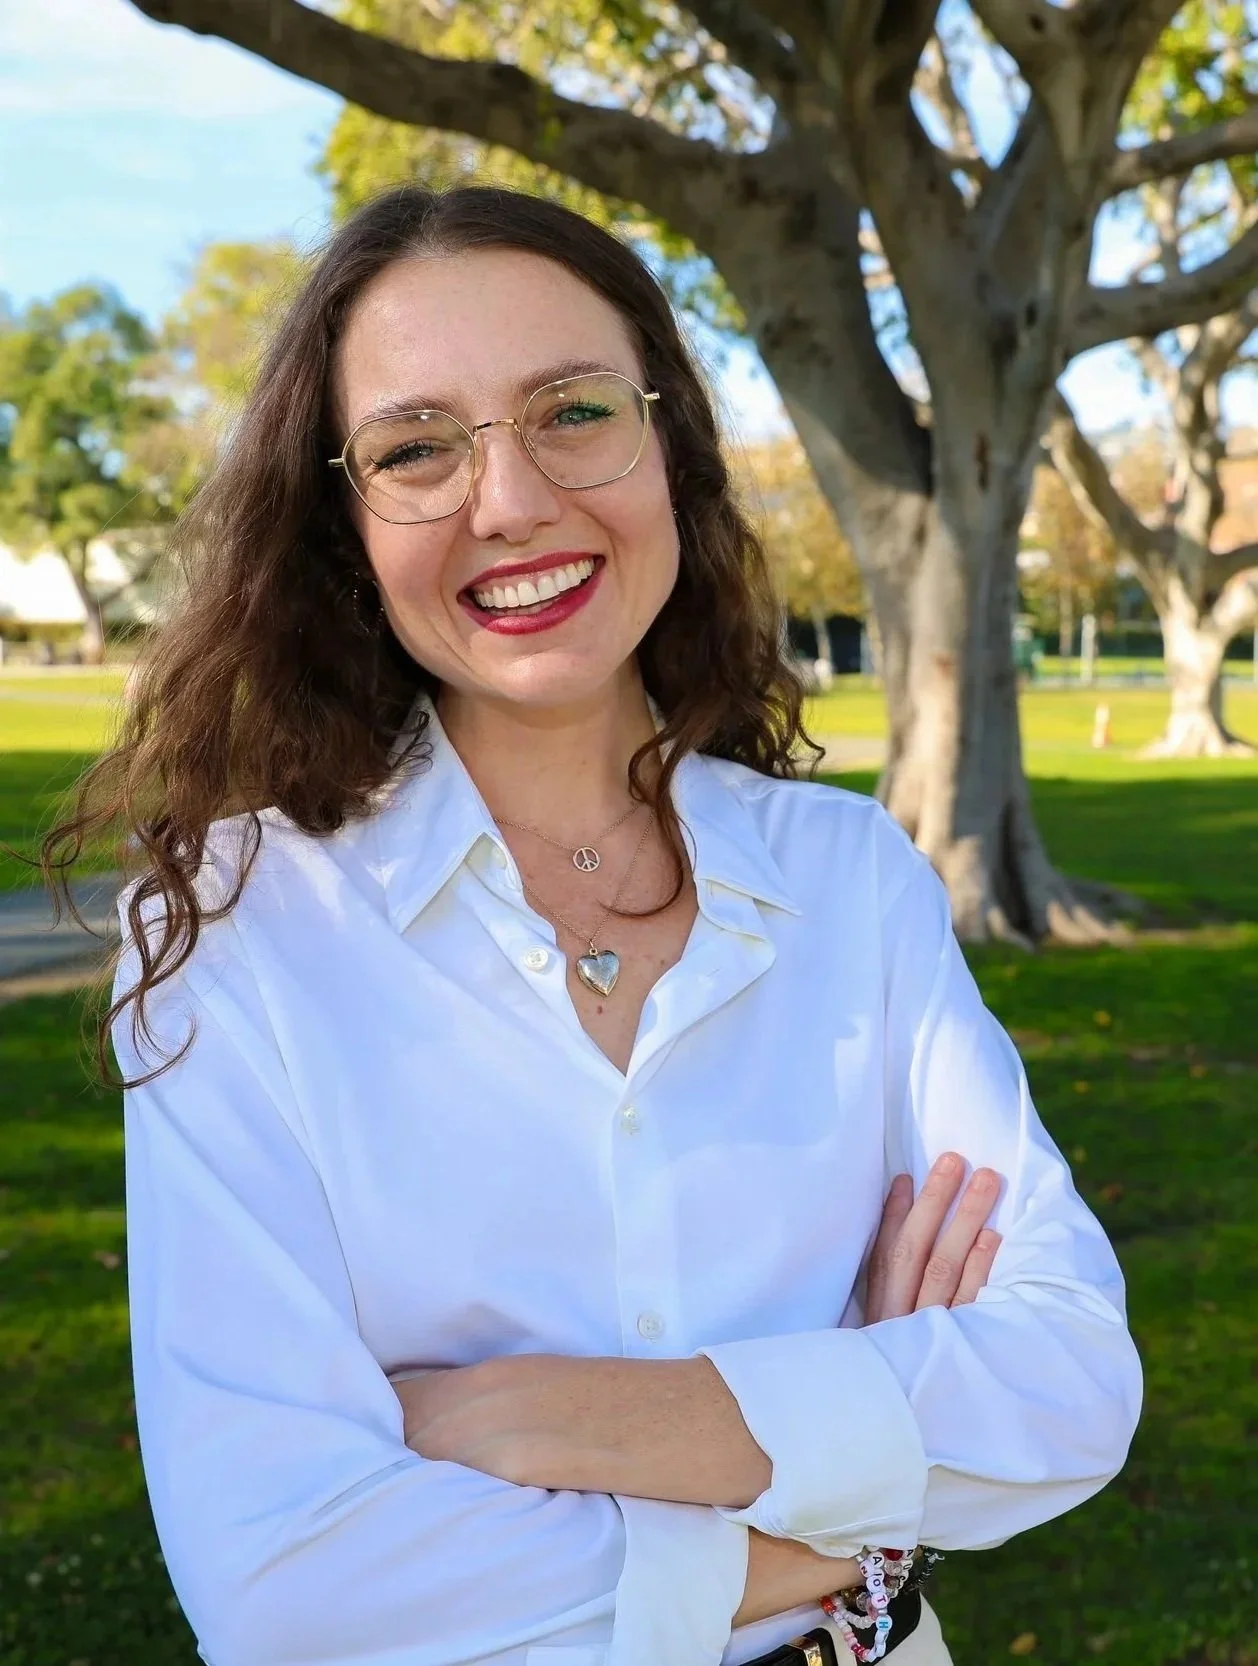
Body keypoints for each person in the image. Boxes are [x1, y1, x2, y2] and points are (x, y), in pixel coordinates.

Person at [45, 185, 1142, 1666]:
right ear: (345, 525)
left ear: (667, 445)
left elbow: (1069, 1384)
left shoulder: (848, 880)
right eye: (416, 449)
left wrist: (541, 1414)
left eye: (570, 411)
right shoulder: (238, 929)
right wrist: (850, 1499)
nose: (508, 500)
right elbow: (284, 1582)